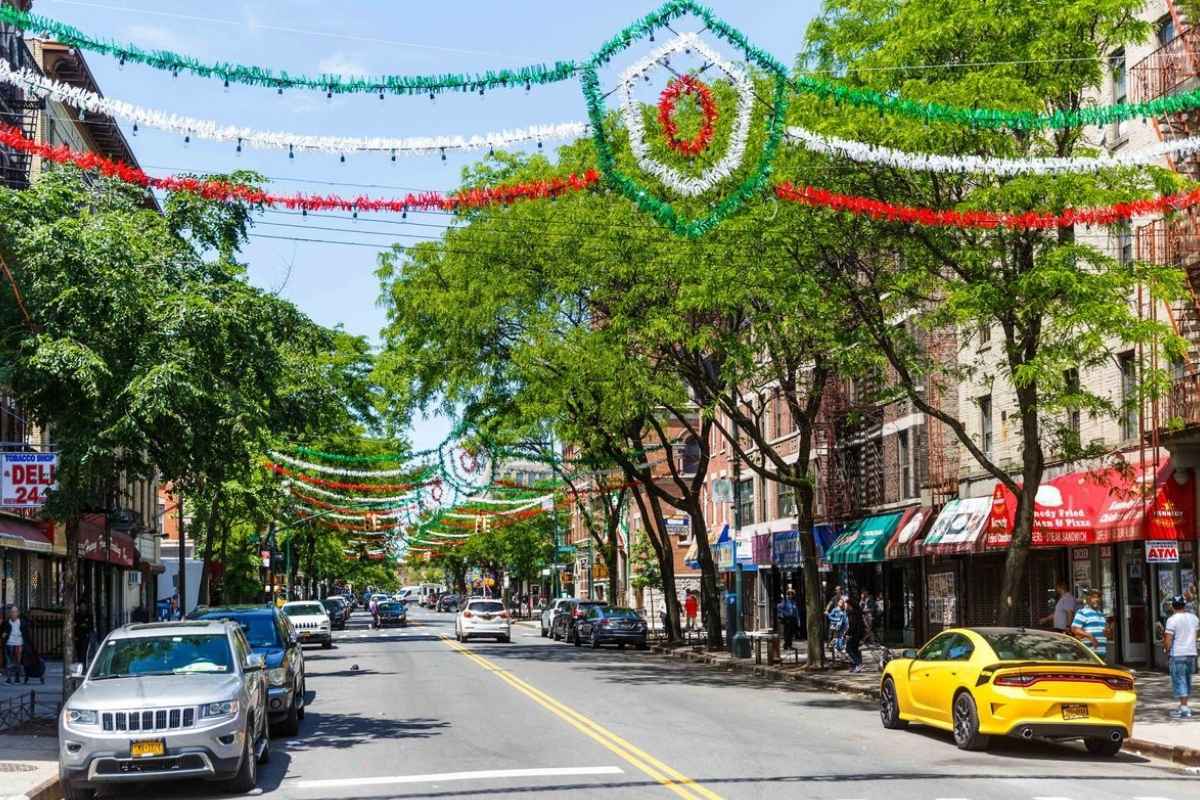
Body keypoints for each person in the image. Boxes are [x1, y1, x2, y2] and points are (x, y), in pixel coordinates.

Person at [1163, 595, 1199, 719]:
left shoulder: (1172, 620)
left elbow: (1168, 638)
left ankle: (1184, 709)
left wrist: (1167, 650)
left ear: (1173, 606)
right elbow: (1196, 634)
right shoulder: (1194, 618)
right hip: (1191, 653)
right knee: (1186, 679)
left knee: (1179, 680)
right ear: (1184, 605)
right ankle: (1184, 705)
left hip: (1178, 653)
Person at [1071, 590, 1111, 660]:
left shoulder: (1101, 614)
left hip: (1101, 652)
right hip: (1089, 653)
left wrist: (1108, 631)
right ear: (1088, 599)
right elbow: (1074, 629)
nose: (1097, 599)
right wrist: (1090, 636)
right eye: (1094, 597)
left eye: (1098, 597)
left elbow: (1107, 635)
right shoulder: (1082, 612)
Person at [2, 606, 25, 683]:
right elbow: (2, 632)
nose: (13, 614)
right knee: (8, 662)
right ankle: (9, 678)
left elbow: (25, 632)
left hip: (18, 644)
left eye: (15, 612)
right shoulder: (6, 622)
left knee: (17, 662)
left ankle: (17, 677)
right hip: (9, 643)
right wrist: (3, 635)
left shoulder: (21, 622)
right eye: (12, 612)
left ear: (18, 613)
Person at [845, 598, 866, 673]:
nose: (845, 605)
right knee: (855, 649)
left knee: (848, 649)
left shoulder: (852, 614)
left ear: (850, 605)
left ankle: (858, 664)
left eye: (846, 604)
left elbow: (852, 626)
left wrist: (848, 634)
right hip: (858, 634)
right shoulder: (857, 613)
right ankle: (855, 666)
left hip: (854, 634)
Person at [827, 596, 848, 660]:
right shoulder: (835, 610)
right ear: (838, 603)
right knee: (837, 639)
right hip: (837, 627)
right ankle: (837, 652)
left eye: (842, 602)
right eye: (840, 602)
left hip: (843, 627)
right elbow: (829, 616)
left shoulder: (844, 611)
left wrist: (846, 626)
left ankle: (841, 654)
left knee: (842, 639)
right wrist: (837, 619)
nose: (841, 603)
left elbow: (845, 619)